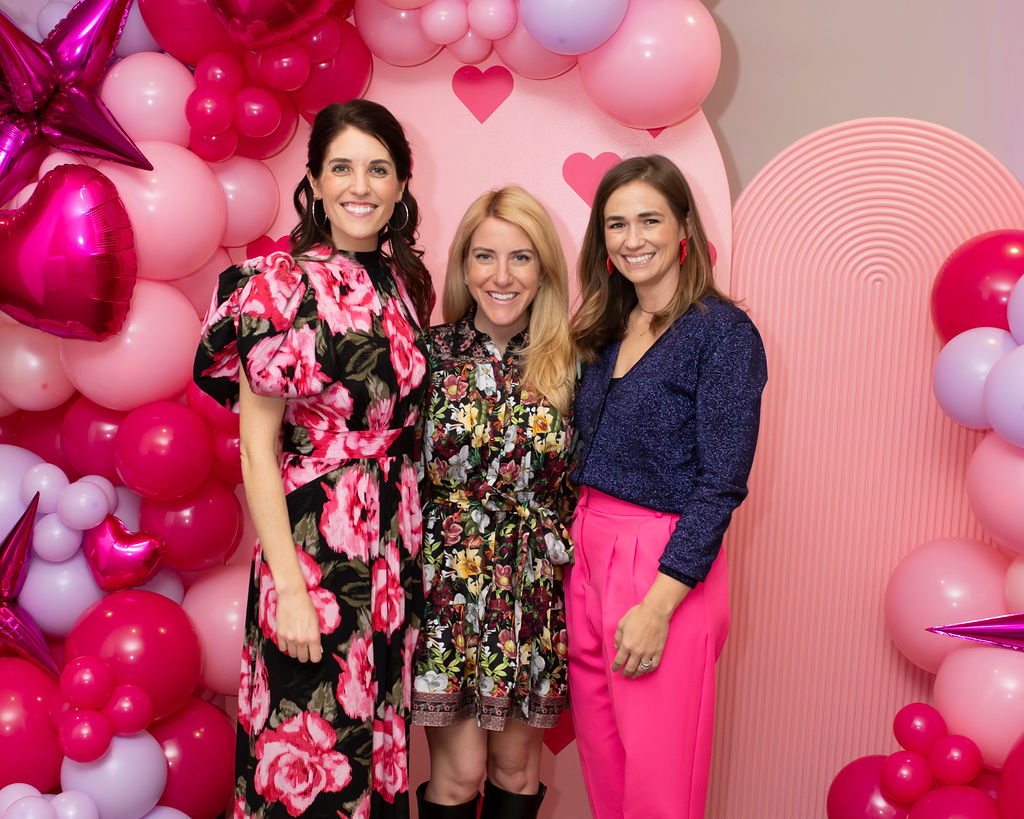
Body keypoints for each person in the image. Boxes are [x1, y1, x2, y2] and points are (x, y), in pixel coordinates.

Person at [192, 99, 432, 819]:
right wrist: (291, 589)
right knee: (310, 750)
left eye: (378, 169)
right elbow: (257, 451)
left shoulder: (400, 285)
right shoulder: (280, 285)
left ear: (399, 189)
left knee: (372, 752)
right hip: (315, 555)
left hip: (391, 556)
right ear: (316, 184)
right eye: (343, 168)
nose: (361, 186)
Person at [567, 155, 767, 819]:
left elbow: (720, 483)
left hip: (661, 565)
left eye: (649, 218)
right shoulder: (603, 328)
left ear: (683, 225)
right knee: (606, 770)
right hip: (588, 554)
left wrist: (658, 604)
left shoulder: (722, 332)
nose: (632, 238)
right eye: (616, 223)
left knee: (659, 788)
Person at [410, 186, 577, 819]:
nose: (502, 277)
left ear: (545, 270)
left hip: (532, 584)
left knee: (516, 769)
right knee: (459, 775)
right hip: (447, 580)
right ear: (463, 266)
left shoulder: (574, 363)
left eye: (522, 258)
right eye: (485, 257)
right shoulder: (430, 355)